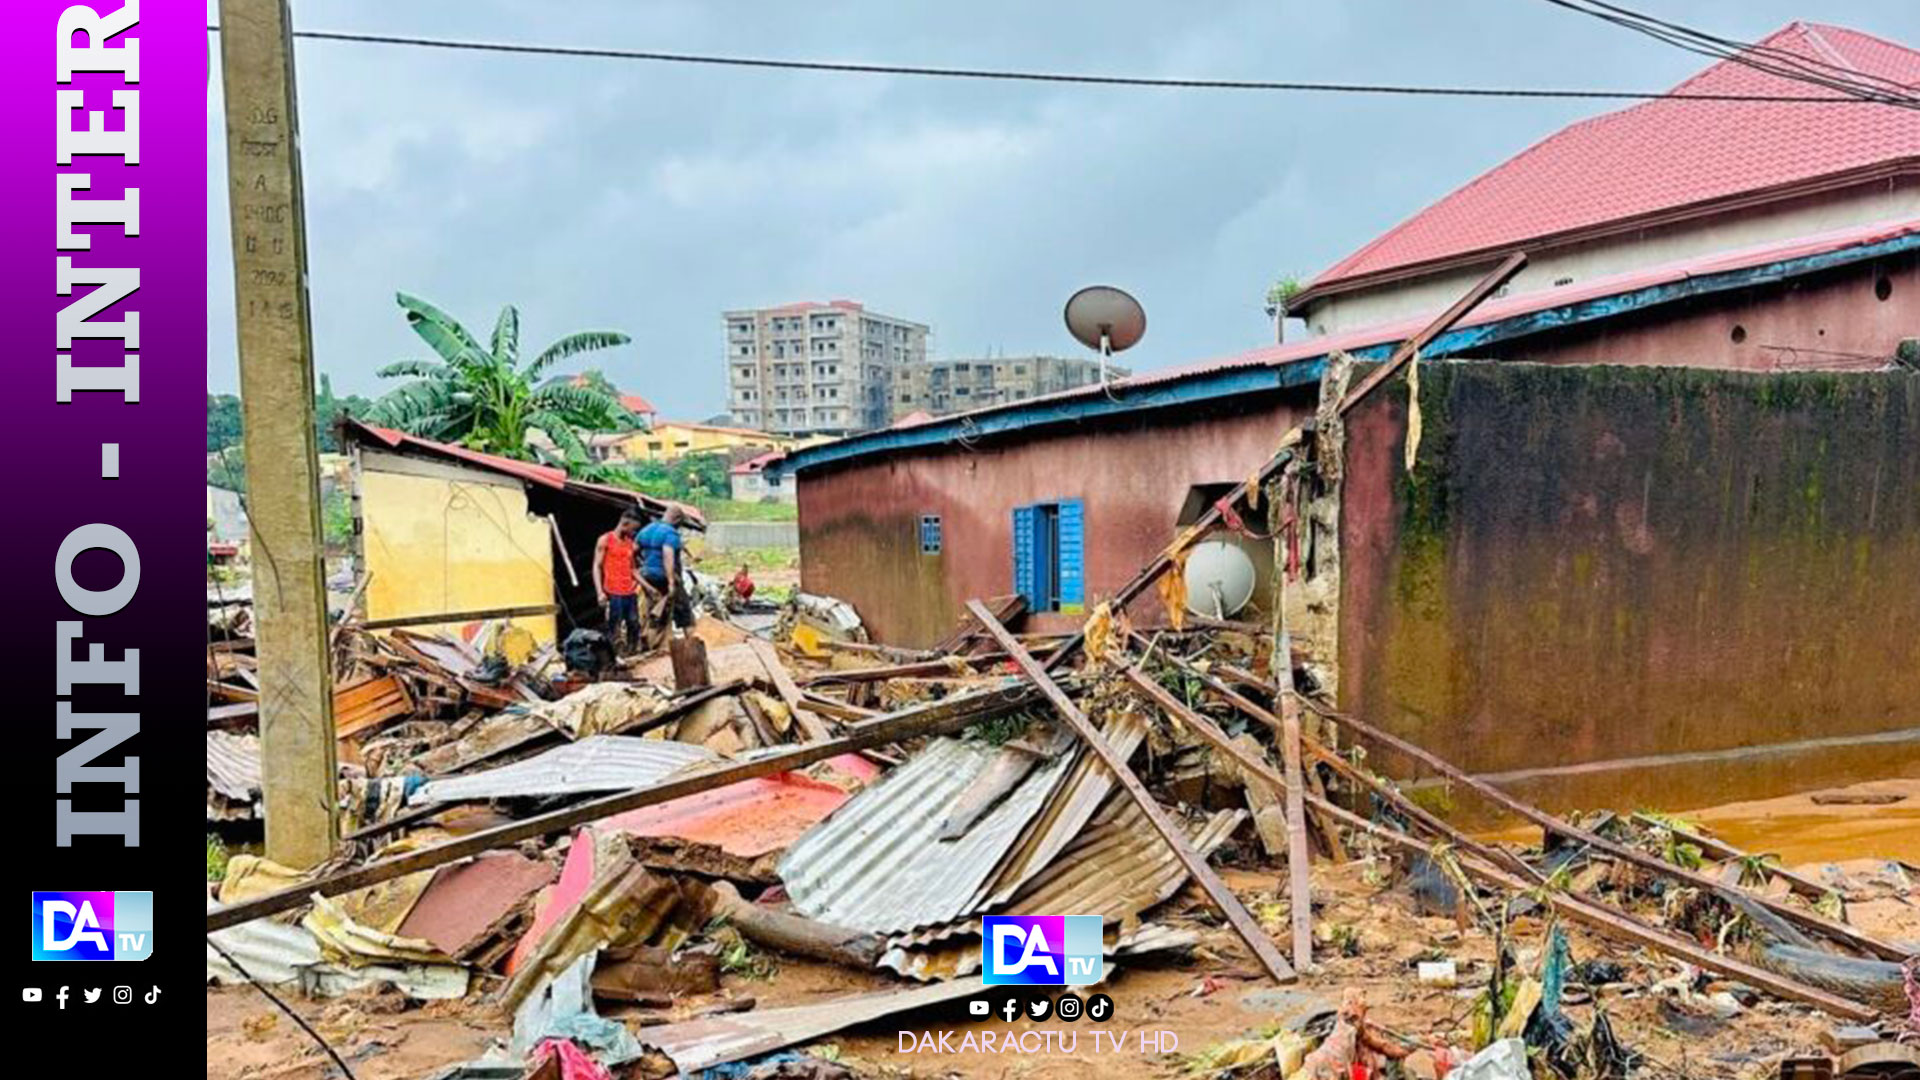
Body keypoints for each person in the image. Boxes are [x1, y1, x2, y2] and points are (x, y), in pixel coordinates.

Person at [593, 509, 645, 651]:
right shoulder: (605, 540)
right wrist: (600, 592)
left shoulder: (630, 544)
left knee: (634, 624)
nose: (633, 533)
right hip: (613, 591)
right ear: (625, 523)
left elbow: (633, 569)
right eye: (633, 529)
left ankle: (632, 653)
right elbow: (597, 567)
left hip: (630, 591)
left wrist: (647, 587)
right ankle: (613, 655)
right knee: (614, 625)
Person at [638, 505, 694, 631]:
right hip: (663, 576)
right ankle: (689, 639)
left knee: (655, 611)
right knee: (683, 611)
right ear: (677, 519)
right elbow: (667, 555)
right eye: (679, 524)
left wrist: (641, 564)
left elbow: (633, 550)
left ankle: (653, 638)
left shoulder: (646, 530)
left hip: (647, 577)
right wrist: (671, 582)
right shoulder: (670, 533)